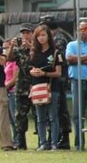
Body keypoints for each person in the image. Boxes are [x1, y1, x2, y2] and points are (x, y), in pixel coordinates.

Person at [40, 15, 72, 149]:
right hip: (49, 79)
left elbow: (56, 59)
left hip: (59, 79)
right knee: (50, 111)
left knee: (60, 109)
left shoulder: (59, 39)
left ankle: (63, 137)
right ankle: (53, 137)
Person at [29, 25, 64, 151]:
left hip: (51, 87)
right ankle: (42, 143)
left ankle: (54, 143)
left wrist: (45, 74)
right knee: (40, 117)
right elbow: (30, 68)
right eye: (39, 35)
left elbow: (59, 72)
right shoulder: (34, 52)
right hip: (37, 87)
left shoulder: (55, 52)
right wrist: (33, 72)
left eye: (43, 35)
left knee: (53, 116)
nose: (41, 38)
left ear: (49, 36)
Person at [6, 23, 34, 150]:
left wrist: (31, 46)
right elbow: (9, 58)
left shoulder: (38, 47)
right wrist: (11, 46)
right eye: (23, 33)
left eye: (27, 32)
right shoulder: (19, 48)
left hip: (35, 84)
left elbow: (41, 58)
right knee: (20, 116)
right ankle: (20, 143)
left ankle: (44, 142)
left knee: (40, 115)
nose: (25, 35)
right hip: (22, 86)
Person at [66, 21, 87, 150]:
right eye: (81, 29)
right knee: (77, 113)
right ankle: (79, 143)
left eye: (85, 29)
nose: (83, 31)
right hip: (77, 81)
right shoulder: (72, 45)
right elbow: (70, 59)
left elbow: (75, 59)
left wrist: (79, 59)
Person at [3, 39, 19, 147]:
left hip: (13, 91)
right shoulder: (6, 62)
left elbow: (15, 78)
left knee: (15, 117)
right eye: (4, 48)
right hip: (6, 92)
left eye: (7, 48)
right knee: (10, 119)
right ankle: (14, 139)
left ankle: (18, 139)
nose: (5, 50)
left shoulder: (15, 63)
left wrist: (5, 86)